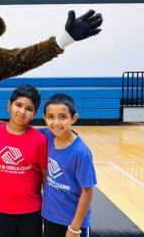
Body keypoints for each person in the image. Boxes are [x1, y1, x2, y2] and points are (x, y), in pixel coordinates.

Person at [0, 84, 47, 237]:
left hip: (32, 211)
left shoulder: (39, 140)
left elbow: (45, 174)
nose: (22, 112)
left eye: (29, 109)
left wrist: (47, 205)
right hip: (0, 210)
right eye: (19, 105)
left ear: (35, 113)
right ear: (9, 105)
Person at [40, 93, 97, 237]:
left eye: (63, 117)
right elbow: (22, 131)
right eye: (51, 117)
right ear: (45, 118)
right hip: (50, 216)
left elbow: (88, 192)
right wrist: (1, 124)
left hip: (73, 221)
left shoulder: (81, 152)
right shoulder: (47, 135)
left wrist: (75, 228)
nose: (56, 123)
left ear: (74, 118)